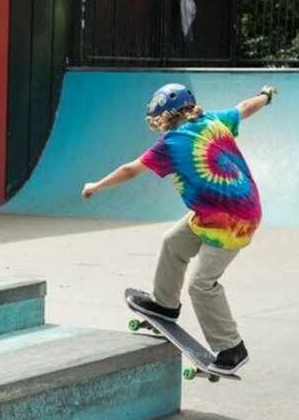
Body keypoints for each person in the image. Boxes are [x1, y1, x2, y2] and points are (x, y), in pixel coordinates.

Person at [81, 83, 277, 374]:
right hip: (214, 212)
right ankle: (165, 305)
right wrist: (266, 96)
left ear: (163, 118)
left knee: (202, 284)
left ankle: (232, 348)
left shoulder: (170, 144)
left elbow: (130, 170)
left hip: (234, 222)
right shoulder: (213, 120)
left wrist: (96, 186)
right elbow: (245, 108)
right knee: (173, 242)